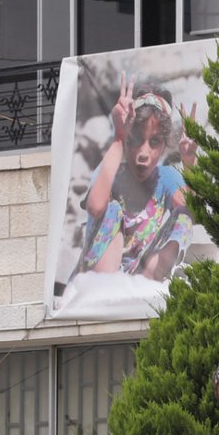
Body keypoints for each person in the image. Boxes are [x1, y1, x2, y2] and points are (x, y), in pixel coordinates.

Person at [79, 74, 198, 281]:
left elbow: (193, 210)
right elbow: (96, 207)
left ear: (163, 147)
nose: (143, 152)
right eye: (135, 139)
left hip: (140, 278)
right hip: (97, 283)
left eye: (154, 142)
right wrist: (119, 137)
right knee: (112, 209)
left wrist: (189, 162)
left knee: (185, 216)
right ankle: (106, 285)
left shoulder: (165, 177)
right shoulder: (111, 170)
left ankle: (153, 279)